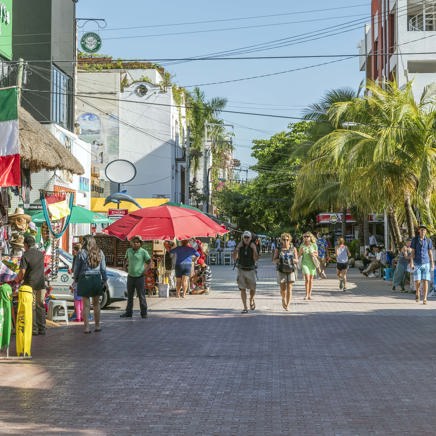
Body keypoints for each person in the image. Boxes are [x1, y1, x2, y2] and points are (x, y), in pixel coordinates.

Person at [74, 235, 108, 333]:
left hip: (84, 278)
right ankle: (97, 326)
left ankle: (87, 328)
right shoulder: (100, 252)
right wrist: (105, 280)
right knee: (97, 304)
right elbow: (103, 269)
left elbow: (77, 269)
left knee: (86, 305)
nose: (82, 243)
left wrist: (76, 279)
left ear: (86, 242)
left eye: (83, 241)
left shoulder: (81, 253)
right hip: (96, 278)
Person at [15, 235, 45, 336]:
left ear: (26, 245)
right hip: (41, 283)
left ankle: (34, 329)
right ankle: (42, 328)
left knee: (32, 307)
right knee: (40, 306)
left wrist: (17, 279)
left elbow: (22, 272)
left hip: (30, 285)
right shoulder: (41, 254)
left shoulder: (25, 255)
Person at [120, 236, 151, 318]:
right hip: (130, 276)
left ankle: (144, 313)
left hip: (140, 277)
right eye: (134, 242)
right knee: (130, 296)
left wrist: (145, 271)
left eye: (138, 242)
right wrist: (124, 267)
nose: (136, 243)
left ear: (141, 243)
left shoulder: (143, 252)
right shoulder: (128, 250)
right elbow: (125, 259)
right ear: (131, 243)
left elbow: (149, 262)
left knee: (141, 296)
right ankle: (128, 312)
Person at [233, 231, 259, 313]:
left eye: (248, 237)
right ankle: (245, 307)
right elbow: (234, 257)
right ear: (242, 238)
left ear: (251, 238)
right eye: (245, 237)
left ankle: (251, 299)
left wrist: (254, 249)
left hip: (251, 270)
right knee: (242, 289)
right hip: (241, 270)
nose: (246, 239)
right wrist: (237, 248)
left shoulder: (253, 246)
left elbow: (256, 259)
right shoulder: (239, 246)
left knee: (253, 288)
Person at [273, 233, 298, 311]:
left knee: (290, 288)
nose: (285, 241)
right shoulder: (278, 248)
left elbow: (297, 260)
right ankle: (283, 298)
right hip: (281, 270)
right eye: (284, 239)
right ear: (281, 240)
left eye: (287, 239)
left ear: (289, 240)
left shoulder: (293, 249)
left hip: (291, 270)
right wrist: (280, 260)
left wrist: (290, 260)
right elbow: (274, 260)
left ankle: (288, 304)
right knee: (283, 288)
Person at [410, 225, 434, 304]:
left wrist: (432, 263)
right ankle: (417, 292)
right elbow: (412, 252)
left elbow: (430, 252)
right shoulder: (415, 240)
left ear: (426, 232)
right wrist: (412, 263)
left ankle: (425, 298)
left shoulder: (428, 240)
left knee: (426, 281)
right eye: (421, 230)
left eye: (424, 230)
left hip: (426, 263)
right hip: (417, 263)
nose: (423, 231)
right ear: (419, 231)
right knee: (418, 281)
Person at [299, 232, 318, 300]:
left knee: (311, 279)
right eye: (304, 237)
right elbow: (299, 255)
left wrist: (312, 253)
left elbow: (317, 254)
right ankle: (306, 295)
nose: (306, 238)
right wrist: (301, 252)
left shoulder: (314, 245)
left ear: (310, 237)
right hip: (305, 263)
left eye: (307, 236)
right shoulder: (302, 245)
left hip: (312, 263)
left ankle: (310, 295)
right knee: (307, 278)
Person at [70, 243, 83, 322]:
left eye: (73, 249)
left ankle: (78, 317)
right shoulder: (84, 256)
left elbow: (75, 270)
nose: (72, 251)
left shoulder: (77, 257)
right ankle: (82, 316)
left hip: (78, 280)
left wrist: (74, 283)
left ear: (75, 250)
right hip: (83, 280)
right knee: (82, 300)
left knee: (77, 300)